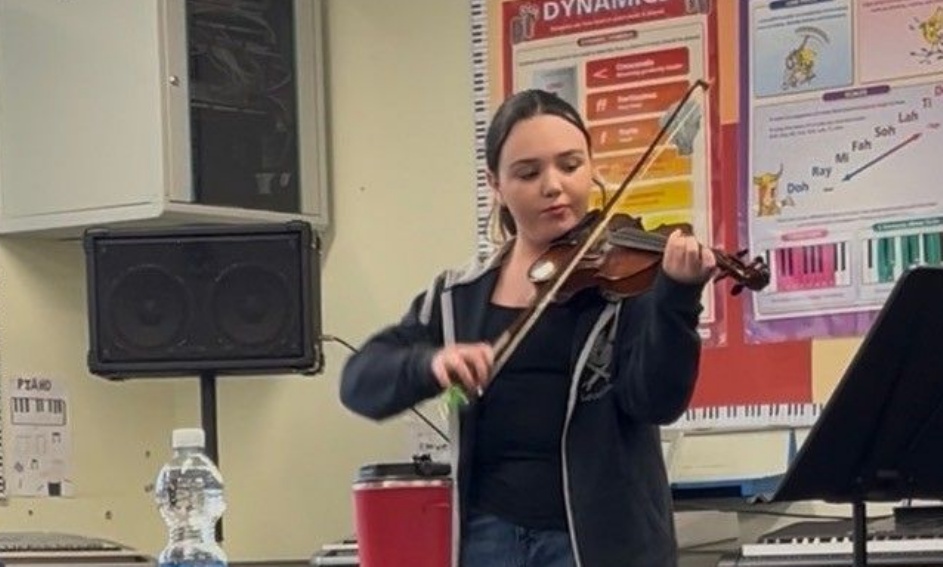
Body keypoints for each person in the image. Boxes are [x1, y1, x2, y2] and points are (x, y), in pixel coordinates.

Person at [339, 88, 716, 567]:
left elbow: (656, 402)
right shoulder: (459, 296)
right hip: (487, 539)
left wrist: (678, 299)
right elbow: (360, 384)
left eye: (570, 165)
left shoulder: (627, 281)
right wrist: (430, 364)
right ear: (495, 184)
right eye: (528, 173)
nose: (553, 186)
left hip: (601, 544)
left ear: (591, 167)